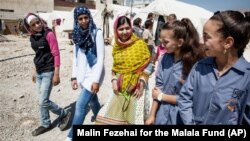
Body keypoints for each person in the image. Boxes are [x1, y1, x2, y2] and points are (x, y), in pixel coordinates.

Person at [178, 10, 250, 125]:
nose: (202, 41)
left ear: (228, 42)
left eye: (207, 37)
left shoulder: (246, 78)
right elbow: (184, 98)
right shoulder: (199, 67)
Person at [96, 16, 153, 125]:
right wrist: (113, 81)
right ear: (116, 30)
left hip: (137, 89)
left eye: (127, 28)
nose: (125, 32)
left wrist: (141, 82)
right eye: (121, 29)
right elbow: (115, 68)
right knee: (112, 117)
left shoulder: (139, 44)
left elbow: (149, 64)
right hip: (120, 87)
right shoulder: (116, 47)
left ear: (131, 28)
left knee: (135, 119)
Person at [145, 18, 204, 125]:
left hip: (180, 117)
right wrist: (152, 115)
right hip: (161, 115)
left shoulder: (193, 64)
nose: (162, 45)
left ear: (180, 42)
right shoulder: (163, 59)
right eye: (161, 41)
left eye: (166, 42)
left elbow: (190, 98)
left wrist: (162, 96)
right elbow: (157, 89)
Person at [23, 13, 71, 136]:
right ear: (30, 27)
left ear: (41, 21)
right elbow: (37, 54)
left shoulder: (49, 34)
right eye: (33, 24)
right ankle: (46, 123)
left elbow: (56, 54)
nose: (37, 25)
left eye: (37, 22)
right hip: (39, 72)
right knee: (41, 101)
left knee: (43, 101)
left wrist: (56, 74)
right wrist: (34, 70)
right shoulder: (32, 37)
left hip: (48, 72)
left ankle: (64, 113)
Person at [66, 6, 105, 141]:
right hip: (82, 74)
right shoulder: (76, 34)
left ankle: (71, 136)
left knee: (81, 105)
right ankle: (100, 116)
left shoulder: (96, 33)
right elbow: (76, 58)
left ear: (89, 17)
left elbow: (100, 59)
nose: (83, 21)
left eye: (85, 17)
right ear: (76, 20)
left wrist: (96, 80)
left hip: (94, 73)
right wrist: (74, 76)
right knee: (92, 100)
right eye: (80, 18)